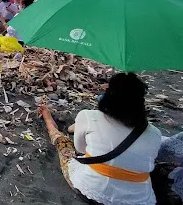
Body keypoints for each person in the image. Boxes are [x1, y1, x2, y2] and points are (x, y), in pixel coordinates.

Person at [39, 73, 161, 205]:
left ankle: (48, 119)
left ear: (109, 95)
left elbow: (80, 148)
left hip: (91, 189)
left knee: (64, 145)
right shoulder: (155, 134)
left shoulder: (89, 116)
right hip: (140, 200)